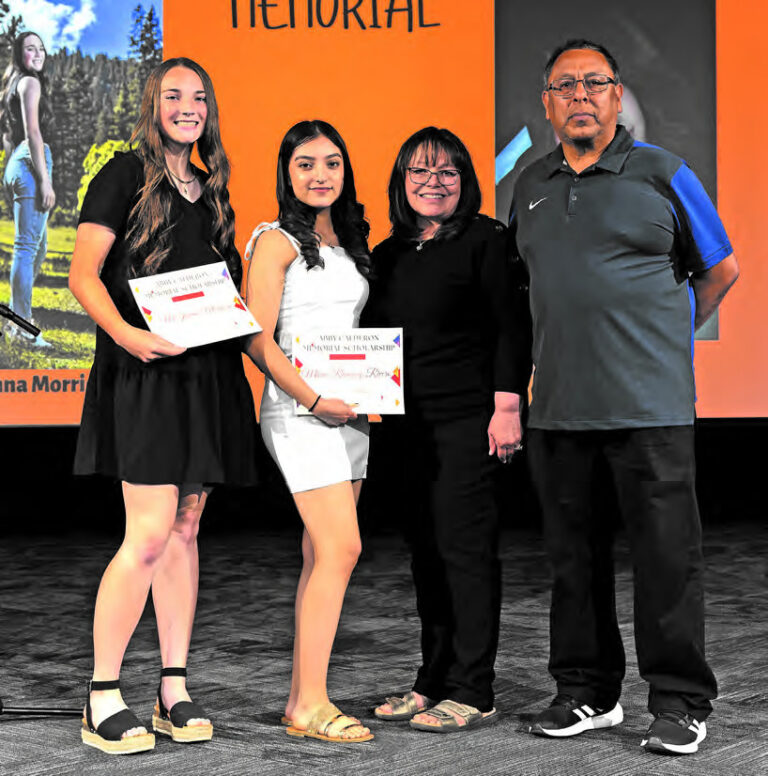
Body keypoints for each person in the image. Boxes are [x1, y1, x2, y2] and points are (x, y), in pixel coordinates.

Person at [510, 39, 739, 755]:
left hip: (651, 410)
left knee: (667, 563)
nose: (580, 95)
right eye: (565, 85)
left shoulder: (664, 173)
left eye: (594, 83)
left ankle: (679, 702)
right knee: (573, 563)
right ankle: (587, 692)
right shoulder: (529, 184)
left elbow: (720, 271)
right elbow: (529, 289)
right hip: (559, 410)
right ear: (547, 103)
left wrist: (663, 340)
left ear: (617, 96)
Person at [69, 57, 259, 755]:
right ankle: (101, 696)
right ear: (152, 104)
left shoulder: (212, 189)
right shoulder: (123, 173)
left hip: (204, 378)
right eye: (174, 95)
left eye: (199, 97)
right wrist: (128, 336)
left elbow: (225, 295)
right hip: (144, 375)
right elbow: (82, 275)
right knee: (147, 534)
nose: (188, 107)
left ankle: (171, 688)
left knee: (185, 529)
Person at [364, 127, 531, 733]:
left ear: (465, 181)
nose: (432, 183)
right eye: (419, 171)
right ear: (401, 181)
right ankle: (431, 680)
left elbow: (513, 325)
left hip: (470, 421)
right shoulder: (388, 253)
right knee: (426, 555)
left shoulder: (487, 239)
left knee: (465, 553)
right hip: (405, 426)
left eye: (447, 172)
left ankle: (473, 688)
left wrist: (507, 406)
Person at [243, 119, 373, 744]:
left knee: (322, 554)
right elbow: (254, 337)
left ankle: (301, 700)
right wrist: (314, 399)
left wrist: (351, 398)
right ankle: (314, 704)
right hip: (300, 411)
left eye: (332, 163)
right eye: (305, 164)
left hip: (350, 413)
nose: (320, 175)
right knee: (341, 549)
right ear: (286, 172)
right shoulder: (274, 241)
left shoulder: (348, 240)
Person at [1, 31, 55, 348]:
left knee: (39, 247)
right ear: (19, 55)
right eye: (29, 48)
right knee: (26, 248)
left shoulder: (13, 85)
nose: (37, 53)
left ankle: (15, 319)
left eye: (41, 48)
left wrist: (12, 175)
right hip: (30, 162)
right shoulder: (30, 82)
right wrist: (44, 180)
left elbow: (9, 137)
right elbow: (33, 133)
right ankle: (22, 327)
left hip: (15, 164)